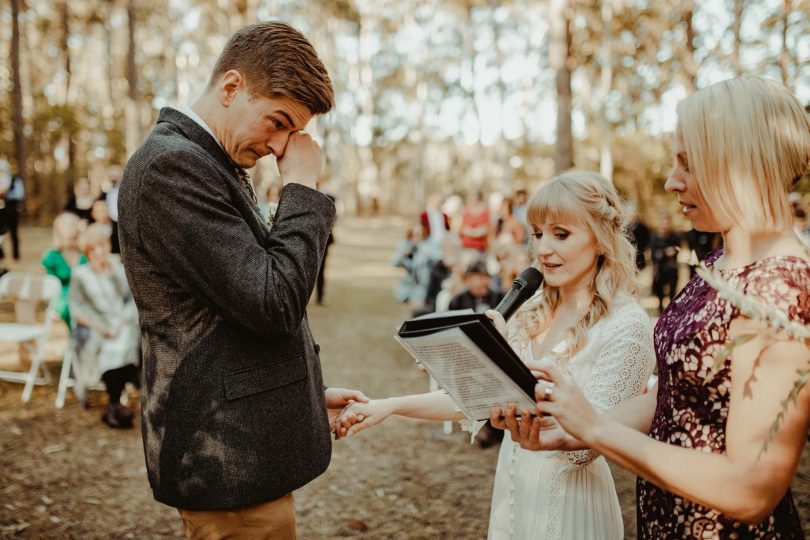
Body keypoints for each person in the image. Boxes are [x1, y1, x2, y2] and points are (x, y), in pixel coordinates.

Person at [521, 76, 810, 538]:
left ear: (741, 164)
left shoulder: (782, 288)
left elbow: (753, 489)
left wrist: (596, 429)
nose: (672, 181)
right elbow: (674, 394)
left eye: (687, 164)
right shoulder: (722, 261)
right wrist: (568, 431)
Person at [117, 22, 366, 539]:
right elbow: (274, 301)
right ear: (232, 88)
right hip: (223, 457)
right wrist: (301, 187)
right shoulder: (171, 168)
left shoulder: (209, 161)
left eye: (290, 133)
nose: (280, 146)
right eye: (277, 122)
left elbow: (227, 311)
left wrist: (302, 393)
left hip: (242, 446)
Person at [339, 171, 656, 539]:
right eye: (537, 234)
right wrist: (389, 406)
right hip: (513, 493)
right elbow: (477, 401)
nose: (544, 249)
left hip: (570, 507)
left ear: (601, 240)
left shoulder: (627, 325)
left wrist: (509, 366)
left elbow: (584, 449)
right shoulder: (532, 308)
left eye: (561, 234)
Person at [68, 224, 139, 427]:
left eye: (102, 246)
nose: (99, 252)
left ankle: (114, 406)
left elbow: (130, 302)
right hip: (96, 327)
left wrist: (120, 324)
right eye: (93, 249)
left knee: (127, 340)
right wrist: (100, 327)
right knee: (108, 347)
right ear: (87, 252)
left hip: (121, 323)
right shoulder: (80, 275)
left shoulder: (119, 270)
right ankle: (115, 405)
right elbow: (76, 309)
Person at [41, 212, 86, 329]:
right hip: (62, 296)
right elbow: (50, 285)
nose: (70, 227)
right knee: (70, 305)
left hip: (86, 294)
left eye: (73, 223)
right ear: (58, 228)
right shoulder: (51, 256)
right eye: (66, 224)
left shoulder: (86, 252)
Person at [650, 214, 681, 314]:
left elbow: (677, 250)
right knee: (660, 291)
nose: (665, 225)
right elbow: (654, 254)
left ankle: (671, 310)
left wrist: (663, 253)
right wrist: (665, 252)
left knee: (672, 291)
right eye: (663, 223)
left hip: (672, 269)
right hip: (659, 269)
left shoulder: (675, 236)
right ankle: (661, 310)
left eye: (667, 223)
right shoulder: (654, 237)